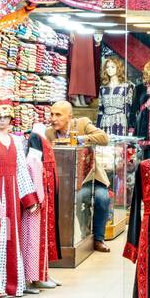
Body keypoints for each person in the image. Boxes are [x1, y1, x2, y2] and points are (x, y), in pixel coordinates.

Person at [50, 100, 112, 253]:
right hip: (65, 181)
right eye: (51, 114)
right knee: (77, 198)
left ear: (69, 116)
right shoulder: (48, 133)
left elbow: (104, 137)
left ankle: (98, 238)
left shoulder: (82, 124)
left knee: (102, 198)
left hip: (90, 178)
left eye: (58, 115)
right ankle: (85, 234)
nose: (53, 118)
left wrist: (81, 139)